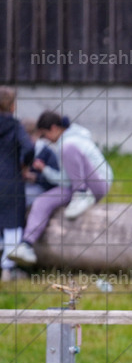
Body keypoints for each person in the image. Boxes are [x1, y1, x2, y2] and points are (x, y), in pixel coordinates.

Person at [8, 112, 113, 268]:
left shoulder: (71, 141)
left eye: (45, 135)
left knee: (68, 147)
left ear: (54, 128)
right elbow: (64, 179)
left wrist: (80, 189)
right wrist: (44, 171)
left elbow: (87, 172)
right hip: (75, 186)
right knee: (42, 201)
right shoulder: (62, 144)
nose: (46, 140)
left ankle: (81, 195)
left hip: (97, 184)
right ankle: (26, 245)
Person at [0, 88, 34, 281]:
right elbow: (29, 148)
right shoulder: (14, 126)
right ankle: (8, 269)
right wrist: (24, 163)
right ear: (13, 106)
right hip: (10, 179)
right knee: (13, 223)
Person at [21, 118, 60, 207]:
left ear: (37, 135)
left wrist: (36, 178)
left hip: (40, 188)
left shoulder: (46, 153)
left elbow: (55, 182)